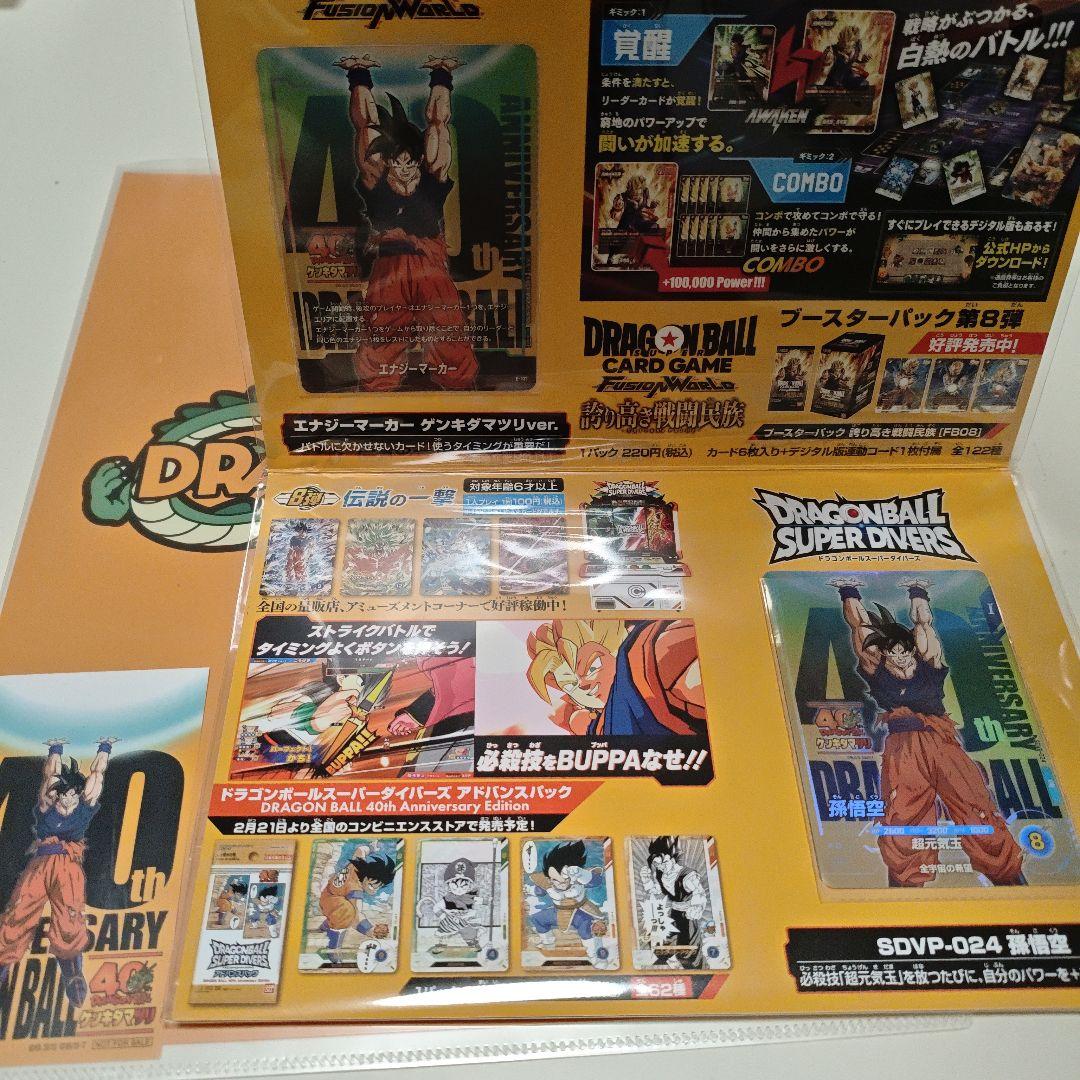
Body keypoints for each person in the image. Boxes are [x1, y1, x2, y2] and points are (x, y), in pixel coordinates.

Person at [834, 578, 1025, 887]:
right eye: (893, 652)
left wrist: (917, 592)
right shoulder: (877, 668)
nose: (900, 657)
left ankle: (1010, 880)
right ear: (885, 653)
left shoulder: (928, 662)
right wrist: (849, 592)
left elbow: (924, 623)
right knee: (903, 817)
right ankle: (906, 891)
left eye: (904, 650)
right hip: (904, 749)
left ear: (912, 649)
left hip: (941, 741)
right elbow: (860, 627)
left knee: (976, 807)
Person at [337, 53, 478, 391]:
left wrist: (441, 77)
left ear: (417, 160)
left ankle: (460, 391)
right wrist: (358, 77)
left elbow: (438, 125)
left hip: (429, 263)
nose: (403, 168)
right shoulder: (376, 179)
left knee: (448, 331)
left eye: (409, 162)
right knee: (381, 336)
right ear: (389, 161)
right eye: (397, 162)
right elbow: (365, 126)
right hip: (390, 267)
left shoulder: (431, 177)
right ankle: (378, 393)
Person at [0, 738, 118, 1007]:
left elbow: (97, 775)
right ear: (59, 794)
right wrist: (55, 750)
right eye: (65, 795)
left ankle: (72, 970)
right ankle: (2, 963)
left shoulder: (84, 808)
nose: (69, 799)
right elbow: (51, 775)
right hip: (40, 865)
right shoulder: (48, 804)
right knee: (18, 913)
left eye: (74, 794)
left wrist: (104, 748)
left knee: (70, 917)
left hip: (68, 868)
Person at [526, 619, 705, 737]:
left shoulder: (651, 656)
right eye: (570, 685)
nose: (584, 685)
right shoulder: (598, 723)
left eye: (592, 667)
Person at [527, 840, 609, 966]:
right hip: (558, 912)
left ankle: (596, 957)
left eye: (564, 880)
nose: (559, 883)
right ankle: (548, 942)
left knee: (586, 929)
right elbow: (540, 890)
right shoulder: (549, 881)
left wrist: (581, 874)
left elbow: (595, 880)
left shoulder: (579, 878)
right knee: (537, 918)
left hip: (580, 912)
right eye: (555, 880)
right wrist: (530, 890)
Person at [640, 836, 707, 967]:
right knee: (661, 943)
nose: (661, 867)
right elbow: (657, 892)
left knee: (689, 952)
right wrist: (646, 881)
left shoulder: (688, 876)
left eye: (663, 863)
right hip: (670, 916)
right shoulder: (660, 875)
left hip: (687, 918)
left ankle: (696, 969)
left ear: (671, 858)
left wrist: (696, 908)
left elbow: (700, 895)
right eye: (657, 865)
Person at [318, 849, 394, 952]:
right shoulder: (355, 888)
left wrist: (370, 849)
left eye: (378, 887)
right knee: (348, 912)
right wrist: (371, 931)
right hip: (329, 901)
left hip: (328, 895)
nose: (374, 890)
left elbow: (360, 850)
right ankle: (333, 948)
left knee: (342, 909)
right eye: (372, 885)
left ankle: (325, 926)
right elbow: (356, 917)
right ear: (366, 879)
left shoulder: (357, 865)